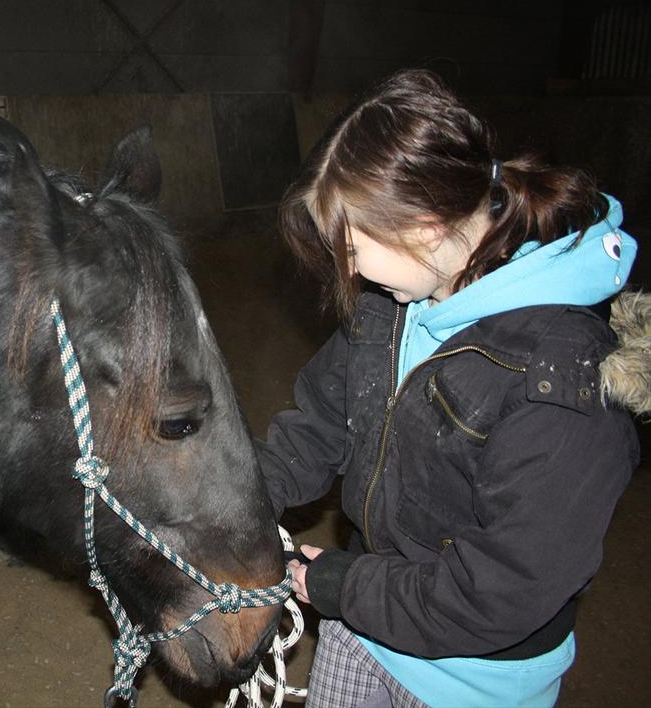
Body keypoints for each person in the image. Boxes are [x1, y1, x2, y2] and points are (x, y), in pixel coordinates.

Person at [257, 68, 647, 708]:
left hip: (475, 680)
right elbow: (317, 427)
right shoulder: (391, 308)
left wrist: (340, 586)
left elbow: (502, 589)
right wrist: (229, 503)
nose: (347, 270)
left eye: (352, 247)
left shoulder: (562, 379)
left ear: (427, 225)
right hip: (363, 630)